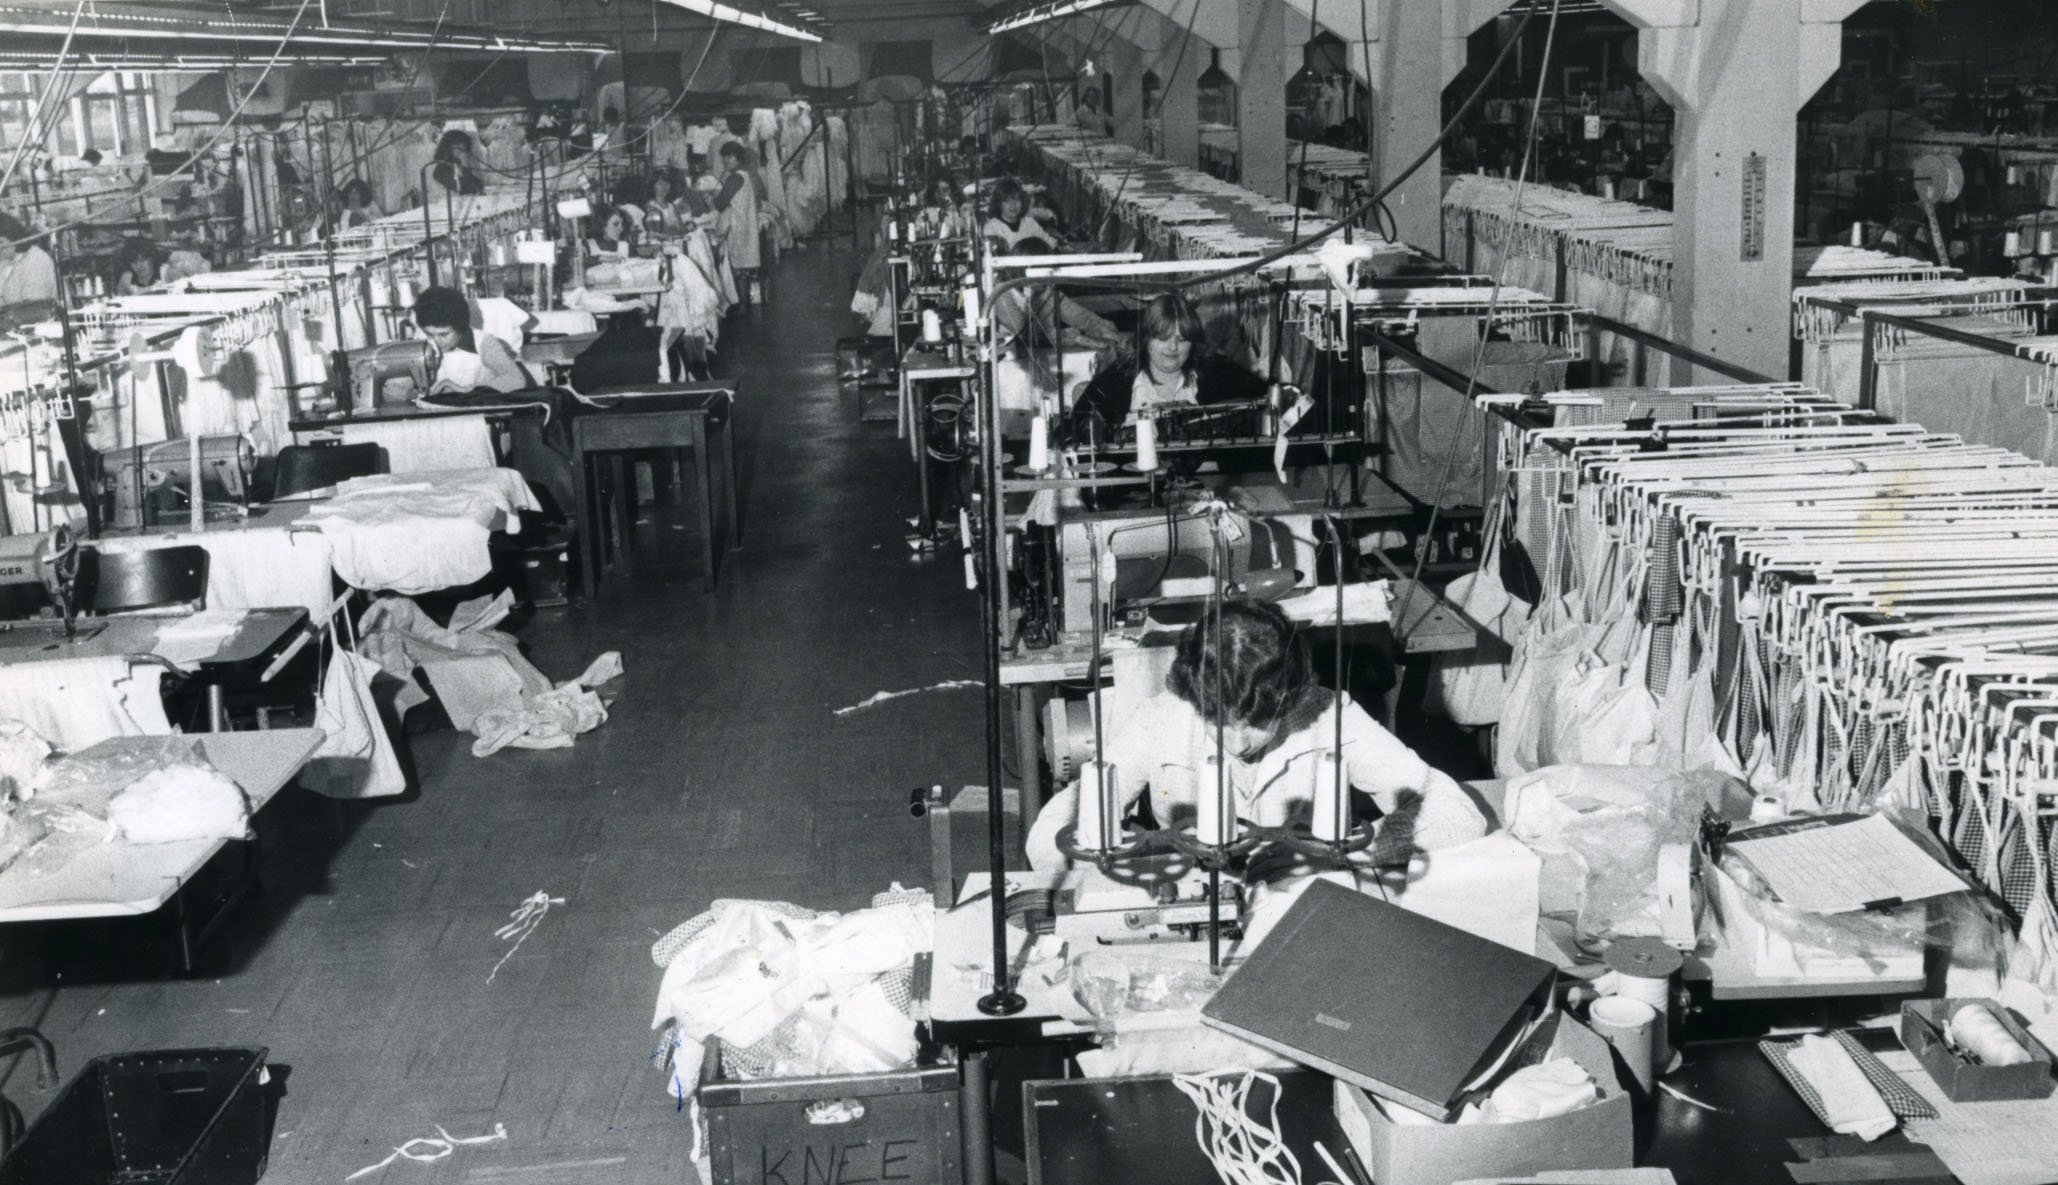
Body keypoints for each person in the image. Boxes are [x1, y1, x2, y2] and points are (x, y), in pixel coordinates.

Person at [1026, 599, 1487, 872]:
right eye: (1218, 720)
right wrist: (1145, 864)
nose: (1237, 741)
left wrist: (1337, 856)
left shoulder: (1328, 716)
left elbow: (1457, 813)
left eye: (1257, 721)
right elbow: (1048, 834)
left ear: (1290, 697)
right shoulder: (1161, 722)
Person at [1070, 292, 1267, 435]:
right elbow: (1070, 431)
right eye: (1163, 339)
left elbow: (1270, 395)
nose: (1173, 347)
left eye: (1182, 340)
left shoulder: (1215, 372)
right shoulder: (1116, 380)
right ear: (1146, 340)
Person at [991, 238, 1119, 355]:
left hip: (1041, 355)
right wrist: (1073, 337)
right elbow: (1028, 333)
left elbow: (1079, 316)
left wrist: (1103, 328)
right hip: (1011, 360)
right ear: (1024, 269)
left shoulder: (1045, 288)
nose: (1048, 275)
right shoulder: (1002, 293)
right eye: (1043, 269)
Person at [412, 286, 532, 394]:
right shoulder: (420, 343)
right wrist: (409, 392)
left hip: (478, 414)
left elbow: (516, 379)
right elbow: (397, 385)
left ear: (460, 326)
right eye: (429, 334)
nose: (436, 342)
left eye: (444, 334)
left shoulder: (483, 343)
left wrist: (465, 390)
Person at [712, 141, 763, 307]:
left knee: (737, 264)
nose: (726, 160)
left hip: (737, 225)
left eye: (730, 157)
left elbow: (720, 204)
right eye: (724, 157)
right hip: (745, 223)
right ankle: (743, 303)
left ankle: (741, 305)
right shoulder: (747, 176)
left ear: (738, 158)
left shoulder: (735, 178)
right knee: (743, 265)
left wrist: (714, 198)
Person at [0, 213, 61, 329]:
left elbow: (36, 311)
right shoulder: (5, 262)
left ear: (14, 238)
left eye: (0, 242)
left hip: (47, 333)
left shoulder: (35, 259)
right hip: (16, 331)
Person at [983, 177, 1050, 251]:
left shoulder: (1030, 223)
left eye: (1017, 199)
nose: (1013, 205)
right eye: (1007, 201)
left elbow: (1049, 243)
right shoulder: (991, 228)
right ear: (998, 203)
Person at [430, 129, 484, 196]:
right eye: (459, 149)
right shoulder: (440, 169)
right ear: (447, 149)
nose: (463, 154)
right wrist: (465, 164)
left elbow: (478, 185)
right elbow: (464, 190)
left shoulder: (458, 166)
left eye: (465, 150)